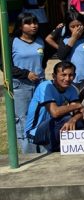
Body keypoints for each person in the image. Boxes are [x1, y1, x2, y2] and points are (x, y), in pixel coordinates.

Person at [24, 61, 84, 153]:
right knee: (66, 118)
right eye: (63, 75)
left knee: (77, 121)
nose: (67, 78)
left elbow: (81, 113)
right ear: (54, 76)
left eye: (71, 75)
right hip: (36, 132)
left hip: (54, 128)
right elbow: (55, 112)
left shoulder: (71, 89)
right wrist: (78, 105)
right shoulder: (45, 86)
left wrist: (74, 119)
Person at [11, 13, 45, 150]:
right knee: (23, 118)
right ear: (20, 26)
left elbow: (46, 58)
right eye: (28, 23)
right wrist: (26, 74)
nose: (33, 26)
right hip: (21, 86)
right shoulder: (12, 41)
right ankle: (28, 151)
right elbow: (5, 66)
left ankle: (42, 148)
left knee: (41, 115)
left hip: (40, 84)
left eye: (35, 22)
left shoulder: (40, 40)